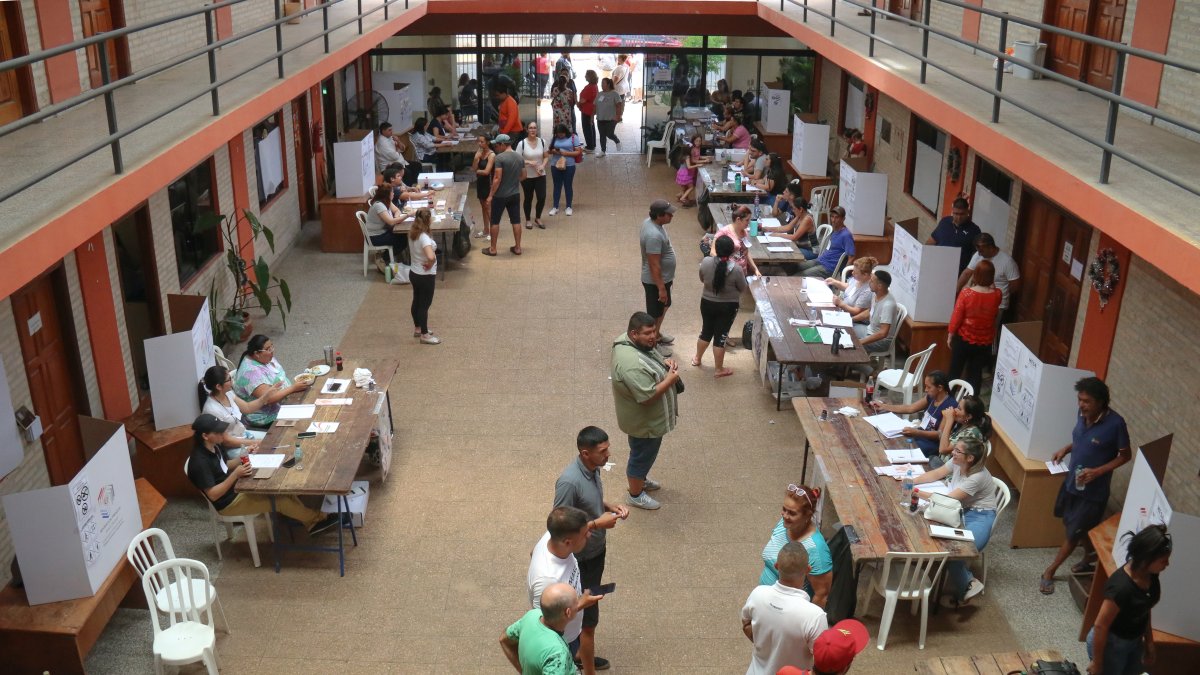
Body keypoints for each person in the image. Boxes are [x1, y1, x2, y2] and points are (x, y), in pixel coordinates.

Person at [1041, 377, 1132, 595]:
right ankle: (1090, 556)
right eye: (1080, 399)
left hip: (1093, 493)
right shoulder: (1082, 415)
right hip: (1073, 481)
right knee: (1072, 523)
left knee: (1073, 534)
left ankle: (1049, 572)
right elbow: (1082, 438)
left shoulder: (1116, 424)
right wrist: (1066, 448)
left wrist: (1098, 471)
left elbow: (1125, 456)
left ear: (1101, 402)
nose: (1081, 405)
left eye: (1087, 401)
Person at [553, 427, 629, 675]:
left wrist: (608, 506)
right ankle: (585, 665)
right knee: (588, 615)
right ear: (585, 453)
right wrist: (598, 523)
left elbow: (587, 502)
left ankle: (578, 651)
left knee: (591, 603)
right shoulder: (569, 481)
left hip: (595, 552)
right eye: (603, 451)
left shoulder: (592, 469)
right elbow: (561, 526)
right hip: (582, 559)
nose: (608, 455)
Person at [186, 414, 339, 535]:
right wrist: (235, 475)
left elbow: (225, 466)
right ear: (205, 436)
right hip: (228, 502)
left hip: (237, 488)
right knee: (279, 501)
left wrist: (244, 456)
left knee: (283, 492)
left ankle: (313, 521)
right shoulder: (199, 462)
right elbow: (213, 495)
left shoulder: (214, 446)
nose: (223, 434)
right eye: (218, 432)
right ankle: (317, 519)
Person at [904, 437, 997, 606]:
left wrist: (915, 491)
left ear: (970, 458)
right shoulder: (957, 463)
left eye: (957, 451)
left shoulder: (977, 477)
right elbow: (936, 473)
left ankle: (968, 585)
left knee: (956, 551)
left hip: (980, 516)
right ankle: (966, 582)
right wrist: (911, 481)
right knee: (938, 539)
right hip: (961, 509)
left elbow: (946, 500)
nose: (952, 452)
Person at [610, 312, 680, 511]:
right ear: (633, 334)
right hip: (645, 423)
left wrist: (664, 364)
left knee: (642, 453)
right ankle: (635, 494)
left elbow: (651, 354)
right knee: (642, 455)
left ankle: (640, 479)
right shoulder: (631, 365)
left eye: (654, 331)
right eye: (648, 333)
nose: (653, 337)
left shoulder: (629, 342)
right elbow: (647, 397)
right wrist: (670, 380)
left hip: (644, 421)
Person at [1086, 525, 1171, 675]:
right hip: (1112, 643)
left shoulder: (1151, 575)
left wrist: (1149, 642)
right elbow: (1100, 626)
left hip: (1134, 639)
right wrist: (1097, 663)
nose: (1167, 565)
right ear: (1146, 560)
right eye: (1163, 561)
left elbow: (1144, 608)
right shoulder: (1121, 588)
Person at [742, 542, 829, 674]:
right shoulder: (815, 616)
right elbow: (822, 661)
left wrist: (765, 644)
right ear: (808, 569)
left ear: (777, 566)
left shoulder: (757, 594)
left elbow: (746, 624)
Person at [527, 507, 603, 657]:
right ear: (568, 542)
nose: (589, 535)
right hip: (562, 641)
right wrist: (582, 603)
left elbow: (532, 552)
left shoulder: (551, 535)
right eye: (584, 534)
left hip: (573, 630)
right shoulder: (548, 580)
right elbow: (545, 622)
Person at [760, 483, 833, 607]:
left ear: (807, 515)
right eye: (784, 509)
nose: (785, 516)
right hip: (764, 602)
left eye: (792, 513)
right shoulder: (785, 524)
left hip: (788, 613)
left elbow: (821, 595)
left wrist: (809, 623)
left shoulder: (816, 550)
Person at [693, 235, 747, 378]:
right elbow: (742, 288)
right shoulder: (736, 269)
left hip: (706, 302)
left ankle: (697, 358)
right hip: (728, 307)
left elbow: (702, 278)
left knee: (706, 331)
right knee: (720, 337)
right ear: (732, 251)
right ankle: (718, 369)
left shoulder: (705, 262)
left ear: (715, 248)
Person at [871, 370, 957, 458]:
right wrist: (884, 406)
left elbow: (939, 434)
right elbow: (911, 408)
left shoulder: (950, 407)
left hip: (931, 444)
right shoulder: (932, 397)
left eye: (929, 387)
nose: (925, 390)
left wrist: (916, 432)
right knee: (889, 441)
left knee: (900, 450)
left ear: (939, 388)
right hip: (920, 434)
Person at [947, 258, 1003, 394]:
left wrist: (950, 334)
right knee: (975, 374)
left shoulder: (966, 294)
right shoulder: (997, 295)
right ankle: (970, 405)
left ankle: (947, 400)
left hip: (963, 338)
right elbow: (994, 290)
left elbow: (957, 316)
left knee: (955, 371)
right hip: (984, 341)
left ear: (975, 274)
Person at [233, 334, 311, 427]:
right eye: (268, 349)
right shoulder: (250, 373)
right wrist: (292, 388)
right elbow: (268, 399)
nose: (272, 351)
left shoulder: (265, 357)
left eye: (272, 347)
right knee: (305, 422)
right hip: (267, 416)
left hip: (285, 399)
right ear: (257, 353)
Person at [499, 582, 577, 675]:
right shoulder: (558, 655)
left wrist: (523, 671)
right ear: (568, 612)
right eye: (576, 602)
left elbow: (503, 639)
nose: (578, 603)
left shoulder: (532, 615)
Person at [197, 366, 273, 456]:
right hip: (231, 447)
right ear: (218, 386)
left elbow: (247, 407)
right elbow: (226, 441)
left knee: (273, 439)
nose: (232, 380)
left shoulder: (228, 393)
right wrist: (256, 442)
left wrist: (265, 397)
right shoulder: (212, 410)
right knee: (267, 448)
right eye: (229, 379)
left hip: (243, 434)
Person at [956, 232, 1022, 326]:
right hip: (977, 299)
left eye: (981, 251)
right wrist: (956, 291)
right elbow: (967, 273)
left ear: (991, 247)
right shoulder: (978, 256)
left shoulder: (1008, 262)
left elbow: (1015, 285)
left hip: (997, 305)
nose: (979, 253)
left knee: (990, 329)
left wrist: (999, 295)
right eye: (978, 251)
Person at [640, 200, 678, 353]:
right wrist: (661, 288)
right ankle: (652, 343)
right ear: (659, 216)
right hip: (656, 281)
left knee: (665, 306)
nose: (672, 216)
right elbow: (654, 265)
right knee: (655, 313)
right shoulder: (653, 235)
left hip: (664, 278)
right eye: (669, 214)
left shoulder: (652, 224)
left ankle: (657, 333)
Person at [483, 134, 526, 256]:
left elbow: (497, 178)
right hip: (515, 194)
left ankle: (493, 249)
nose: (496, 148)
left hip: (500, 196)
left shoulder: (499, 158)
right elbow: (524, 176)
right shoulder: (519, 157)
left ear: (502, 145)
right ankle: (517, 247)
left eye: (497, 145)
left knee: (495, 221)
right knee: (516, 221)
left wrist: (491, 195)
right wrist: (513, 181)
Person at [929, 394, 992, 469]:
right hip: (944, 464)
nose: (955, 410)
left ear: (968, 416)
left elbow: (943, 450)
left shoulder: (971, 433)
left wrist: (949, 420)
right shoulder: (962, 424)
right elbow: (943, 440)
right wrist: (946, 419)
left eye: (959, 408)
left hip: (953, 472)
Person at [407, 208, 440, 345]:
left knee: (416, 300)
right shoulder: (424, 238)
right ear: (428, 220)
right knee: (424, 305)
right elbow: (431, 256)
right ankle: (425, 335)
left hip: (414, 273)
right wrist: (430, 264)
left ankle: (418, 328)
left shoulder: (413, 233)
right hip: (425, 276)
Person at [927, 197, 982, 274]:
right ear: (952, 211)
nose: (959, 217)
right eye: (956, 213)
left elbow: (976, 255)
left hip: (956, 273)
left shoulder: (974, 230)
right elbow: (932, 241)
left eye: (962, 214)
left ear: (967, 212)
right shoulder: (944, 222)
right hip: (936, 266)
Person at [798, 206, 855, 278]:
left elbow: (851, 257)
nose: (833, 220)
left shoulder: (846, 235)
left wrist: (843, 276)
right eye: (832, 217)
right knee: (796, 266)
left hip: (828, 268)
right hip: (820, 260)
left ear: (843, 219)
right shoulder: (835, 230)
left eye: (837, 217)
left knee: (799, 275)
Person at [764, 183, 818, 258]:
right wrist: (769, 229)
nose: (792, 210)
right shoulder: (800, 215)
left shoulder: (807, 219)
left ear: (801, 209)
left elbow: (794, 237)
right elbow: (788, 227)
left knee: (784, 254)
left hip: (810, 250)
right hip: (799, 246)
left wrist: (778, 235)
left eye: (794, 209)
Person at [851, 270, 898, 356]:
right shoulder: (875, 294)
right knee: (846, 330)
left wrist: (860, 342)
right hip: (869, 330)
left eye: (872, 281)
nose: (869, 282)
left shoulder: (888, 305)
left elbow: (883, 333)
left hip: (882, 341)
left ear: (879, 286)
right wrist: (851, 319)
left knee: (850, 346)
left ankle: (867, 369)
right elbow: (869, 312)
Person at [712, 205, 763, 279]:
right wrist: (726, 266)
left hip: (742, 272)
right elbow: (713, 252)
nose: (749, 223)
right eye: (747, 220)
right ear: (738, 219)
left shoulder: (744, 232)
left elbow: (746, 252)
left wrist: (755, 269)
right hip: (729, 273)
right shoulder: (724, 232)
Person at [363, 184, 407, 265]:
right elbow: (390, 222)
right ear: (387, 194)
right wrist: (407, 215)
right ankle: (383, 258)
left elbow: (397, 210)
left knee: (404, 236)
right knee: (403, 240)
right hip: (375, 236)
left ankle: (386, 256)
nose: (393, 194)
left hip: (383, 231)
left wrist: (396, 217)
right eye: (392, 192)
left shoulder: (386, 201)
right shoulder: (379, 205)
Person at [824, 256, 877, 323]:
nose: (852, 273)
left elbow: (856, 311)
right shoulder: (858, 279)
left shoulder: (868, 290)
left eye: (856, 272)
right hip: (841, 311)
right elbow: (849, 288)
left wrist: (841, 304)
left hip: (852, 319)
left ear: (865, 275)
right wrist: (835, 282)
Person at [516, 123, 549, 230]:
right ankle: (528, 219)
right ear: (527, 130)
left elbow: (546, 157)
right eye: (530, 128)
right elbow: (517, 159)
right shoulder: (522, 144)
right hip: (527, 176)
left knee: (541, 197)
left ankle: (538, 217)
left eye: (534, 128)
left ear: (537, 130)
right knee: (528, 197)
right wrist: (529, 162)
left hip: (540, 174)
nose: (533, 130)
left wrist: (542, 166)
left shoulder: (543, 142)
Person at [675, 132, 710, 207]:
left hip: (682, 173)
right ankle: (683, 198)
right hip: (686, 174)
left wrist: (704, 159)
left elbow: (697, 157)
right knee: (690, 187)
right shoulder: (688, 156)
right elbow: (690, 166)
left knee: (684, 188)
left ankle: (679, 196)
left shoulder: (686, 154)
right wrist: (699, 164)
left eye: (699, 141)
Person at [471, 134, 496, 240]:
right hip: (480, 183)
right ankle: (486, 230)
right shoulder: (479, 154)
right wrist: (476, 158)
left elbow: (486, 172)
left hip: (488, 183)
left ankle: (492, 231)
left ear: (487, 142)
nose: (479, 144)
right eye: (479, 142)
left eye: (482, 142)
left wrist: (477, 171)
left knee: (488, 208)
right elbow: (473, 168)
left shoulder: (492, 155)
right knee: (483, 207)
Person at [593, 78, 622, 157]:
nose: (601, 85)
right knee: (602, 135)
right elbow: (595, 105)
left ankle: (617, 141)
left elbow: (619, 106)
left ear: (608, 84)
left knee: (609, 134)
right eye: (601, 83)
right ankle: (603, 151)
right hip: (600, 118)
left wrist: (618, 116)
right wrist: (592, 116)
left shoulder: (614, 94)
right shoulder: (599, 94)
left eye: (603, 83)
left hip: (611, 119)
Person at [577, 70, 598, 153]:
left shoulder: (590, 87)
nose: (585, 76)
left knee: (587, 128)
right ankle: (592, 144)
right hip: (591, 109)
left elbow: (583, 100)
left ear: (590, 77)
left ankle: (590, 146)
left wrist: (578, 103)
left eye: (586, 75)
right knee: (591, 127)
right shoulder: (594, 85)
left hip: (587, 110)